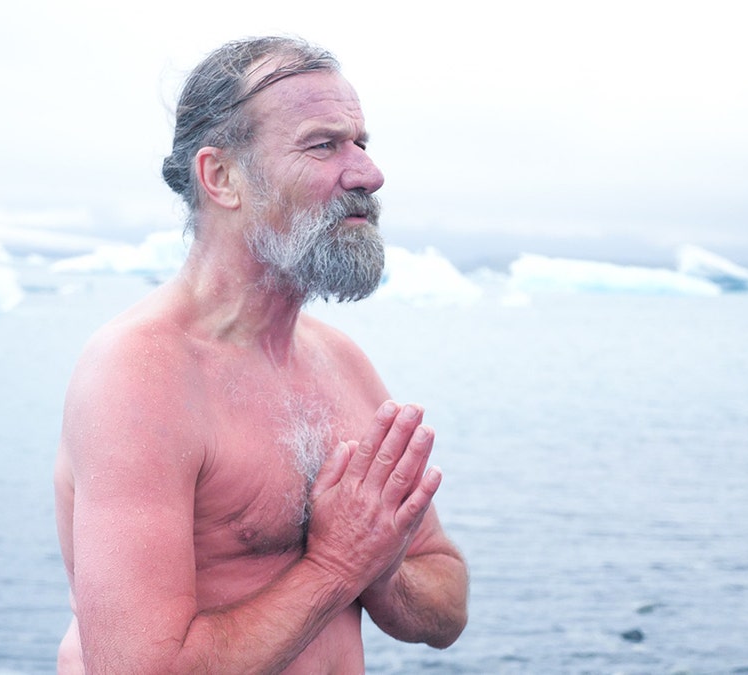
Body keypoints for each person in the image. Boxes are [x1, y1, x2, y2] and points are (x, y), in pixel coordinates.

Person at [53, 36, 469, 673]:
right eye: (323, 144)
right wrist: (336, 565)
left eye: (361, 142)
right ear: (221, 177)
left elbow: (446, 603)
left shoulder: (341, 363)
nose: (367, 173)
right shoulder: (141, 375)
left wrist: (381, 569)